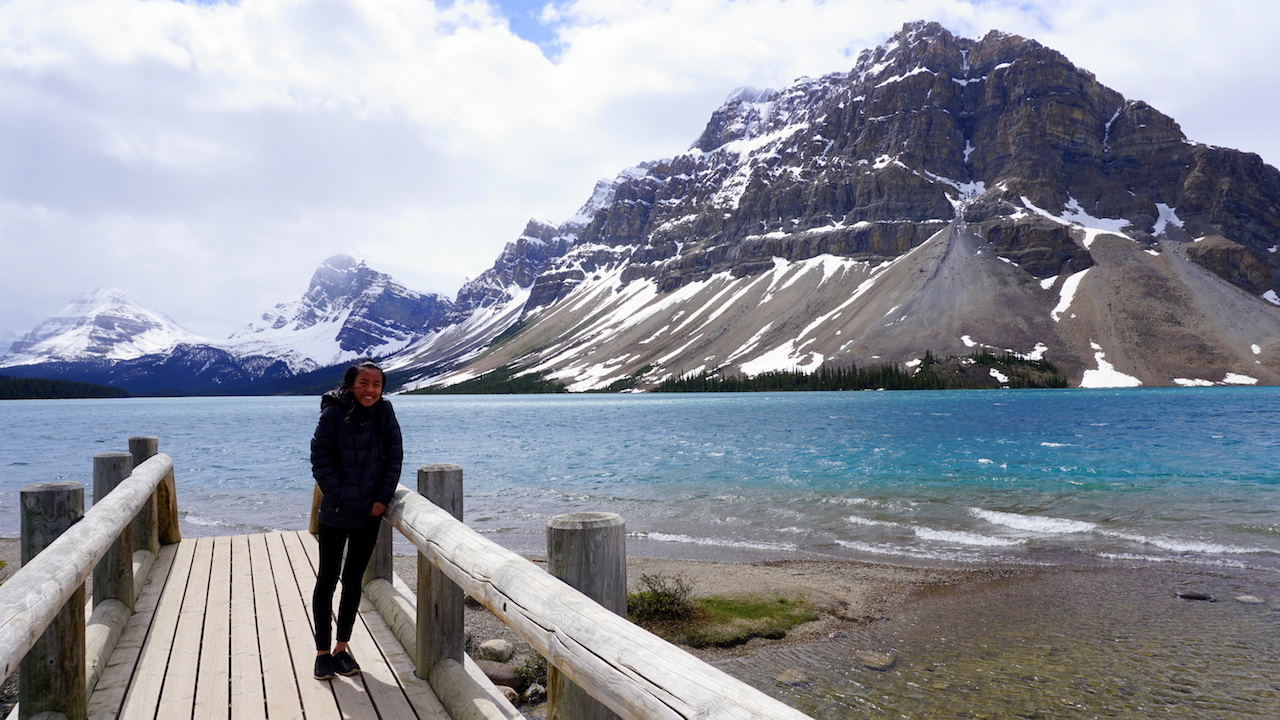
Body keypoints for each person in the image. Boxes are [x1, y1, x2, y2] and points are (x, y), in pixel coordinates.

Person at [309, 359, 403, 680]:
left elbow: (395, 457)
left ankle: (341, 648)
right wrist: (339, 496)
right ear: (351, 385)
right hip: (335, 513)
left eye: (377, 384)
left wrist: (382, 497)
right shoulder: (333, 412)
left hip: (370, 514)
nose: (370, 390)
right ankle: (322, 652)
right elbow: (320, 458)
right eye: (364, 383)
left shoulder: (385, 413)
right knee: (327, 580)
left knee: (353, 581)